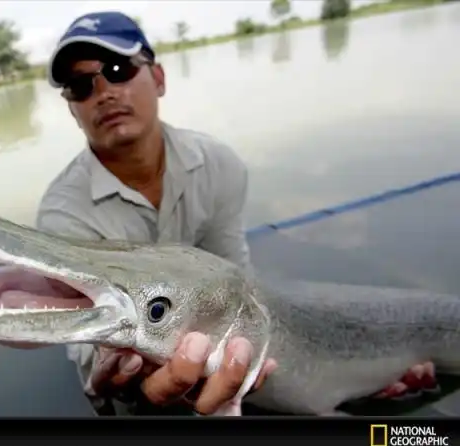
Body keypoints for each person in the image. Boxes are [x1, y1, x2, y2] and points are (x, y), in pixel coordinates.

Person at [35, 11, 438, 416]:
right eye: (81, 86)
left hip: (232, 356)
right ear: (72, 110)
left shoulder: (218, 163)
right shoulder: (62, 213)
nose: (104, 93)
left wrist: (369, 372)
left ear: (158, 78)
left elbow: (241, 287)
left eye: (118, 70)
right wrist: (125, 377)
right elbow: (87, 349)